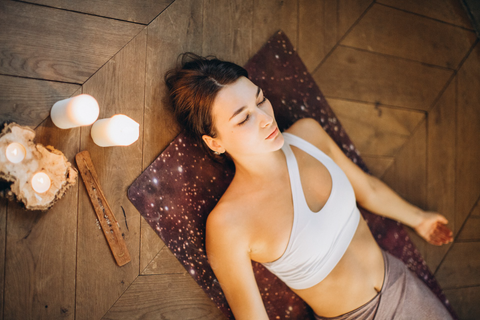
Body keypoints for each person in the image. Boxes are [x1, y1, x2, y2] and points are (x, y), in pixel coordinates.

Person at [165, 53, 454, 320]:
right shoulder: (228, 225)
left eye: (261, 99)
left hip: (401, 283)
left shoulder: (308, 134)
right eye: (244, 118)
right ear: (215, 142)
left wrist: (419, 218)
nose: (266, 119)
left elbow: (367, 189)